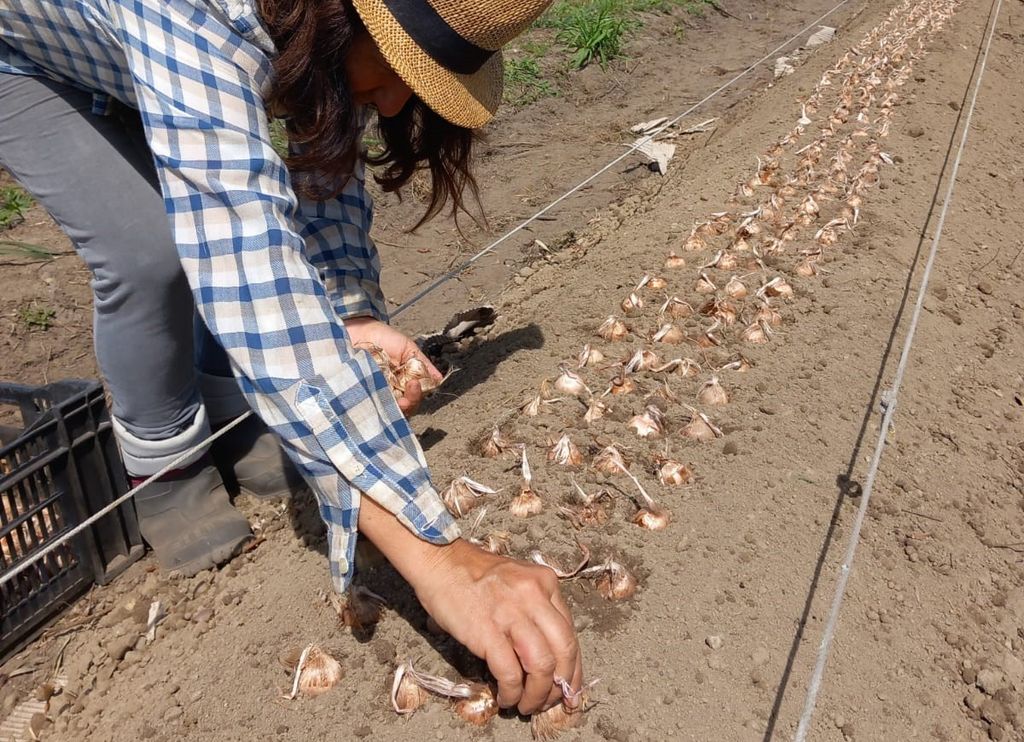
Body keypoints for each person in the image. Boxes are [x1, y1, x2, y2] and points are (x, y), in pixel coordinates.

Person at [1, 0, 583, 715]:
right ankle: (164, 465)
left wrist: (352, 314)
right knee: (149, 250)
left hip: (135, 46)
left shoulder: (321, 27)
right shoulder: (202, 13)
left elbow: (322, 173)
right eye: (400, 67)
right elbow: (247, 261)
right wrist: (439, 557)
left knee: (217, 212)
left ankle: (233, 412)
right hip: (26, 53)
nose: (395, 103)